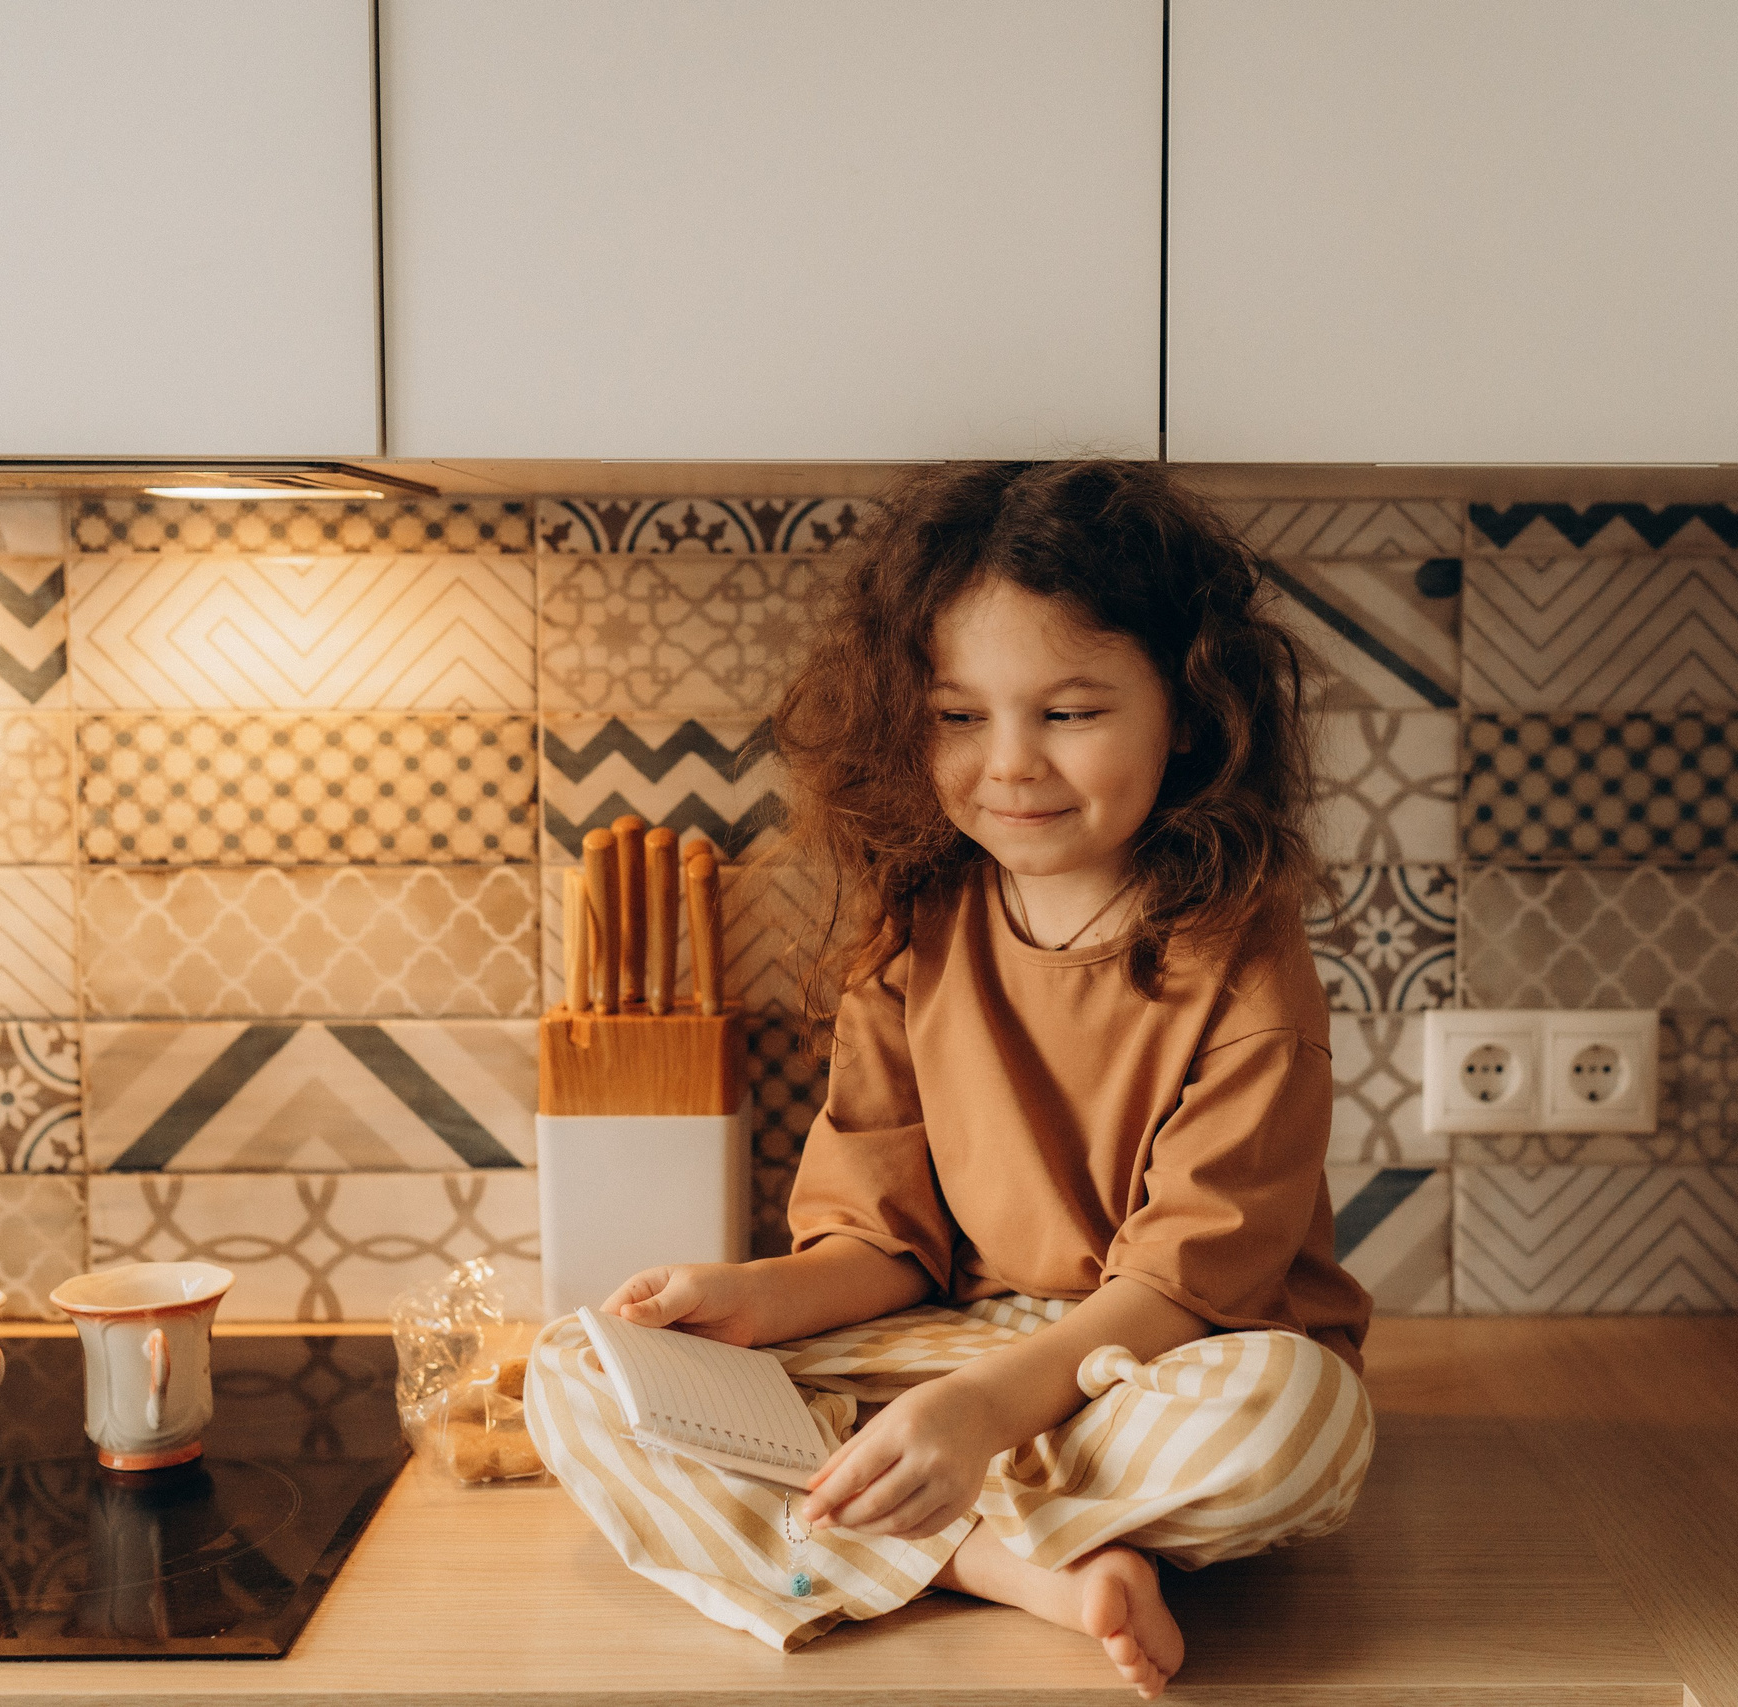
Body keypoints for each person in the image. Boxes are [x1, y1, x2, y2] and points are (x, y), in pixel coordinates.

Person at [523, 460, 1373, 1699]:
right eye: (958, 716)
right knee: (579, 1365)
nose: (1010, 765)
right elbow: (886, 1247)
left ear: (1187, 709)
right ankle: (1024, 1566)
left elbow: (1192, 1285)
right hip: (955, 1345)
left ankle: (903, 1523)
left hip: (1162, 1354)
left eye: (1069, 712)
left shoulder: (1242, 952)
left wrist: (979, 1416)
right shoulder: (915, 924)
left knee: (1293, 1416)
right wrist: (749, 1299)